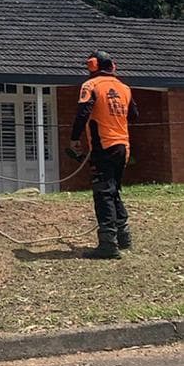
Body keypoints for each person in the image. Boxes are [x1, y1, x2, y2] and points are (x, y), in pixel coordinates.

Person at [69, 50, 138, 259]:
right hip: (123, 146)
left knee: (103, 192)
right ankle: (123, 236)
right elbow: (133, 115)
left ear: (92, 66)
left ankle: (108, 244)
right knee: (113, 189)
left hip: (104, 146)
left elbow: (83, 113)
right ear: (113, 66)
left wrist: (74, 139)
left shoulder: (90, 85)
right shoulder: (124, 88)